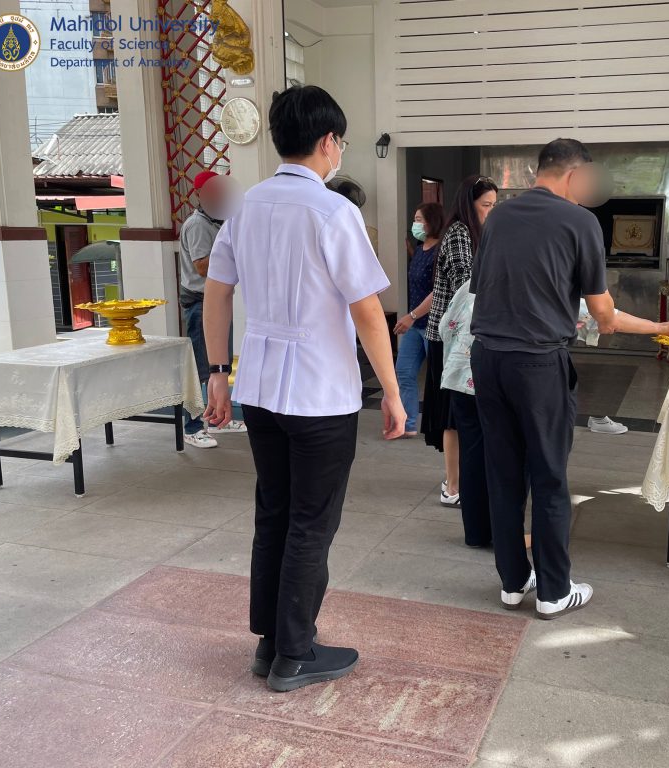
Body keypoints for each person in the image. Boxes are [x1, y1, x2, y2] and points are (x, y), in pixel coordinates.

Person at [202, 85, 406, 693]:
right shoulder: (332, 211)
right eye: (340, 142)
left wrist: (218, 372)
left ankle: (270, 642)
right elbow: (367, 310)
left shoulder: (246, 206)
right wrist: (393, 392)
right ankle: (295, 652)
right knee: (312, 523)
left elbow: (217, 291)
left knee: (275, 512)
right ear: (328, 141)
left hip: (261, 390)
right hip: (319, 394)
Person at [469, 138, 669, 619]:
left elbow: (483, 288)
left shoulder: (500, 216)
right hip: (537, 364)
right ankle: (553, 591)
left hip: (488, 358)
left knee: (503, 474)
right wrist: (658, 328)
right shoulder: (580, 221)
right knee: (549, 477)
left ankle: (512, 582)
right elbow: (604, 318)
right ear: (575, 175)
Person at [441, 285, 669, 550]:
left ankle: (477, 533)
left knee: (472, 456)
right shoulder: (542, 285)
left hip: (462, 375)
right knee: (513, 461)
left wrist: (458, 359)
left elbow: (446, 326)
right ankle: (504, 538)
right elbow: (606, 317)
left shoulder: (475, 282)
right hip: (506, 380)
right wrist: (658, 327)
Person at [421, 175, 498, 506]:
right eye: (486, 205)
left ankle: (462, 479)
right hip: (449, 337)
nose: (491, 211)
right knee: (455, 415)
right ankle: (453, 487)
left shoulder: (476, 232)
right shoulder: (458, 232)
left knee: (464, 412)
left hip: (466, 336)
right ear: (469, 203)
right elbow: (465, 284)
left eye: (494, 205)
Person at [178, 169, 246, 448]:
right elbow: (202, 266)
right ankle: (193, 427)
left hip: (215, 303)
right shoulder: (197, 225)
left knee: (221, 364)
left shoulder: (219, 221)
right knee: (200, 369)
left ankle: (220, 419)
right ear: (200, 195)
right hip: (199, 304)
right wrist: (237, 255)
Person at [392, 202, 444, 436]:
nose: (415, 224)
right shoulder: (421, 248)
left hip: (433, 324)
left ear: (433, 221)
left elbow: (438, 290)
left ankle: (442, 424)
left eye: (419, 219)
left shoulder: (442, 250)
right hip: (415, 324)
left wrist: (411, 316)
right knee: (404, 372)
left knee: (438, 378)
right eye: (415, 219)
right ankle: (407, 423)